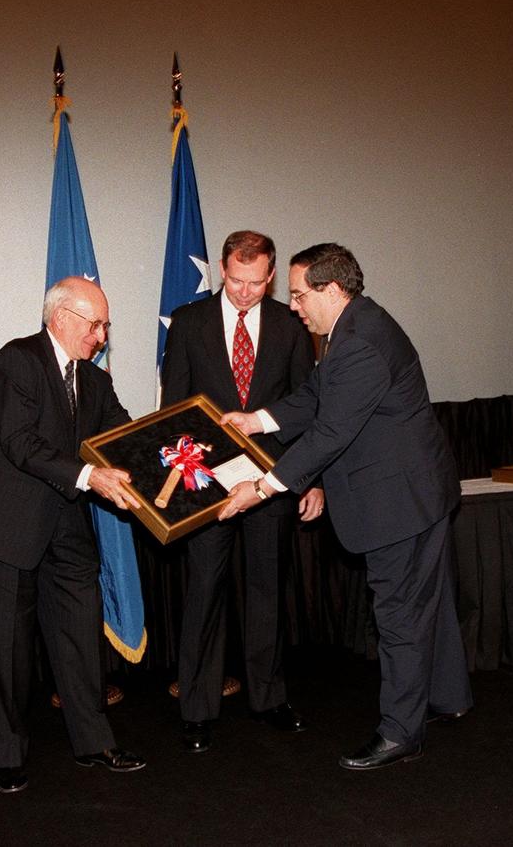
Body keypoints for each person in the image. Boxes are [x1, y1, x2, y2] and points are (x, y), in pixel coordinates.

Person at [219, 243, 472, 770]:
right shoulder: (351, 327)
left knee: (400, 612)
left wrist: (263, 488)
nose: (293, 307)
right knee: (429, 603)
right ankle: (447, 698)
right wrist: (257, 420)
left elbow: (330, 432)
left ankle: (402, 732)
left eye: (298, 295)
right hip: (417, 489)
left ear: (332, 291)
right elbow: (315, 396)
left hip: (399, 500)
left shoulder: (359, 342)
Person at [0, 276, 147, 794]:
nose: (102, 335)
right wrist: (90, 477)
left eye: (106, 325)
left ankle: (94, 742)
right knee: (8, 650)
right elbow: (21, 444)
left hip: (67, 528)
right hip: (8, 529)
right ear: (62, 318)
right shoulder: (18, 360)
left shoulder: (95, 380)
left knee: (80, 641)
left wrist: (178, 452)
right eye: (96, 324)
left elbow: (124, 438)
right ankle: (8, 755)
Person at [161, 230, 324, 753]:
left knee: (265, 590)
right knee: (205, 591)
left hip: (270, 482)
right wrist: (186, 481)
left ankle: (269, 698)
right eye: (236, 280)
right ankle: (198, 709)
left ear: (271, 276)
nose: (245, 291)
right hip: (206, 482)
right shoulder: (188, 322)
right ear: (222, 269)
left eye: (257, 283)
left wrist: (310, 476)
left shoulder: (290, 326)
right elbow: (175, 411)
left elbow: (308, 408)